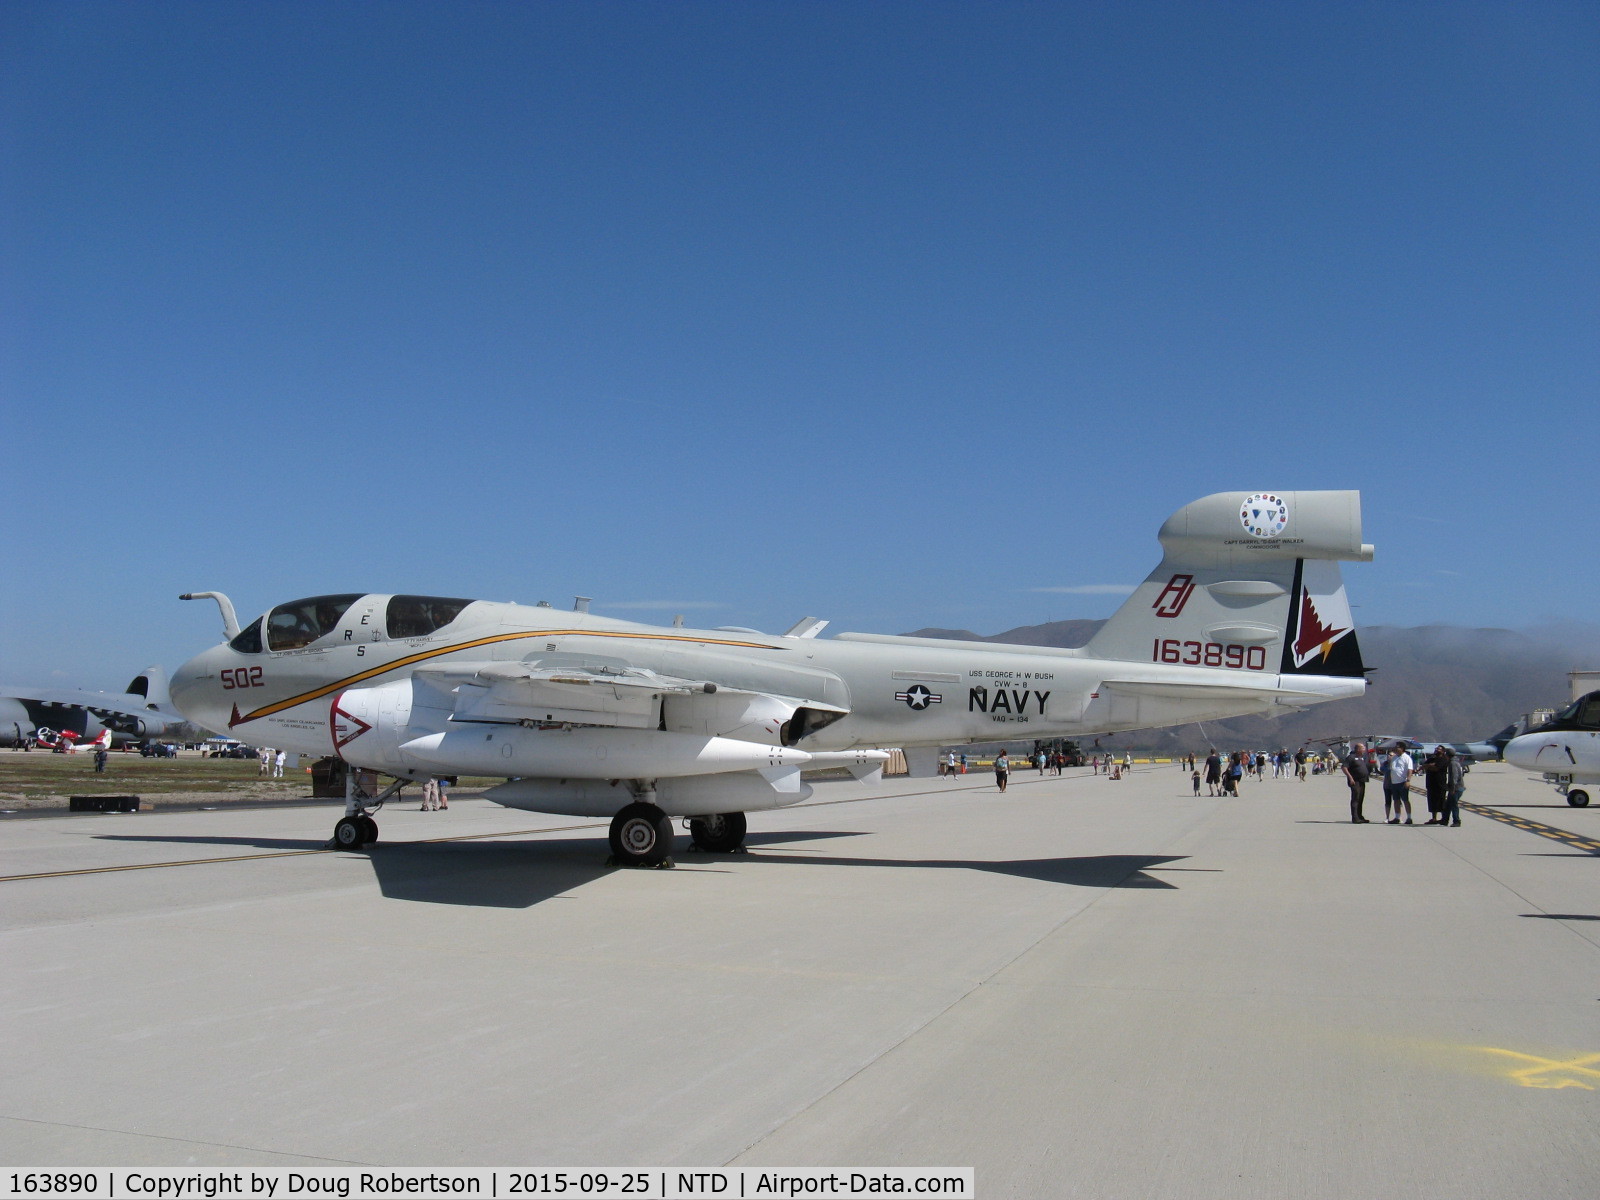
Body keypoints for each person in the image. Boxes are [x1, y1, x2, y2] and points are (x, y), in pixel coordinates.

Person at [1382, 743, 1415, 824]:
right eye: (1395, 747)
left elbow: (1410, 770)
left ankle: (1409, 817)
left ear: (1402, 748)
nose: (1396, 749)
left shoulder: (1407, 758)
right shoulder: (1394, 758)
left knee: (1405, 800)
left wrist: (1408, 780)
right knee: (1396, 800)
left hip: (1402, 782)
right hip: (1394, 782)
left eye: (1398, 747)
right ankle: (1397, 817)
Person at [1341, 741, 1371, 823]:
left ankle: (1360, 816)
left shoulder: (1362, 758)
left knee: (1361, 799)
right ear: (1358, 749)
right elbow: (1344, 767)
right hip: (1355, 781)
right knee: (1356, 798)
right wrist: (1350, 778)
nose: (1364, 749)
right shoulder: (1351, 757)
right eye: (1363, 748)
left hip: (1362, 781)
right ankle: (1355, 817)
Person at [1419, 747, 1448, 824]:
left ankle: (1444, 818)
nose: (1436, 750)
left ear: (1443, 751)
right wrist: (1429, 765)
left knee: (1441, 801)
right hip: (1431, 783)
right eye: (1436, 749)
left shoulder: (1444, 759)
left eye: (1438, 749)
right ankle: (1434, 818)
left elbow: (1437, 768)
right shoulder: (1431, 758)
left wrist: (1429, 766)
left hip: (1440, 783)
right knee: (1432, 801)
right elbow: (1423, 765)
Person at [1443, 748, 1465, 827]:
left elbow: (1454, 777)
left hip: (1456, 788)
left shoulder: (1452, 763)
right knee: (1448, 804)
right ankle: (1444, 820)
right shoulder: (1455, 762)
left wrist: (1452, 788)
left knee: (1453, 805)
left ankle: (1457, 821)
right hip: (1456, 787)